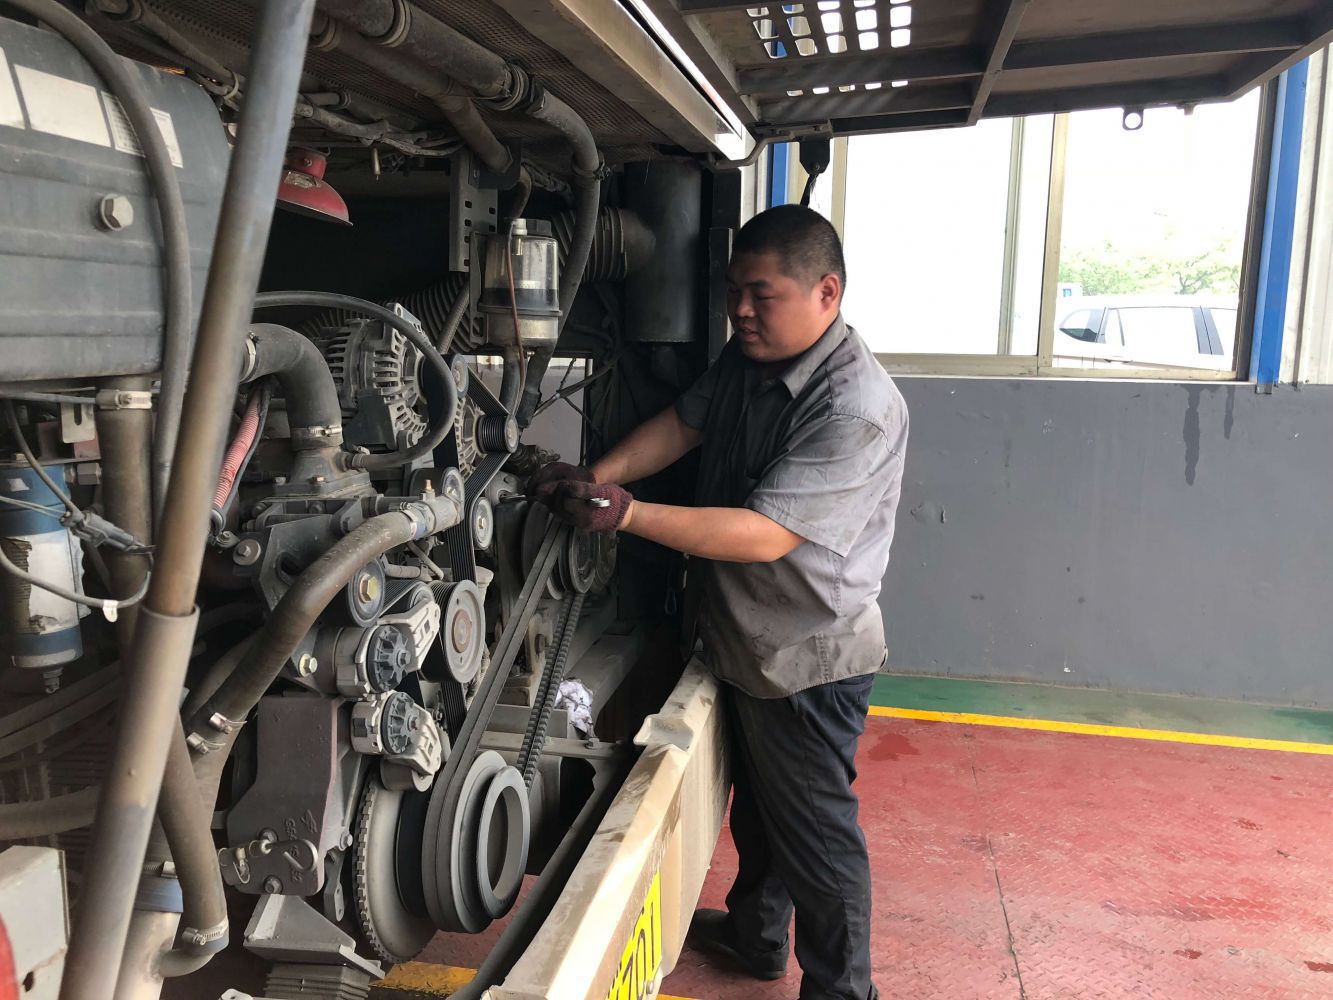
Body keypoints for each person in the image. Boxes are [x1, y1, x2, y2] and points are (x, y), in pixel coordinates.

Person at [531, 204, 907, 1000]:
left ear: (826, 292)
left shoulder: (854, 408)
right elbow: (681, 425)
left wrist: (625, 515)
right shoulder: (750, 359)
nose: (739, 310)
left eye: (761, 294)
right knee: (761, 812)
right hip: (743, 634)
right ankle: (756, 936)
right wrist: (599, 477)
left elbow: (764, 535)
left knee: (815, 836)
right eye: (734, 290)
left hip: (803, 657)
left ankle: (844, 992)